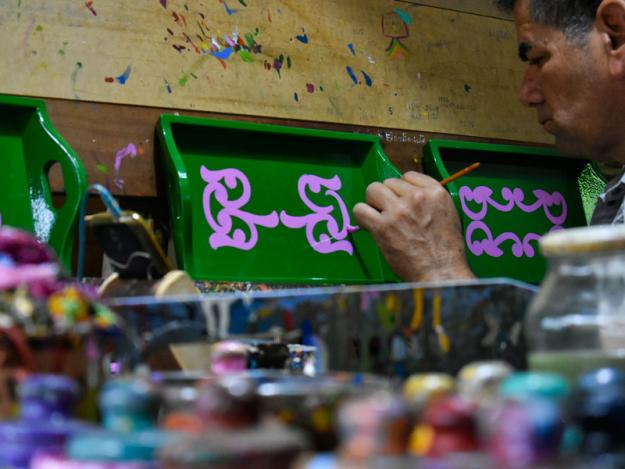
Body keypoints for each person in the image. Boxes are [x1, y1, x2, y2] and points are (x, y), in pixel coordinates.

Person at [353, 0, 625, 282]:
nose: (526, 95)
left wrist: (438, 268)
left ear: (615, 33)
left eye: (537, 59)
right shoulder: (615, 197)